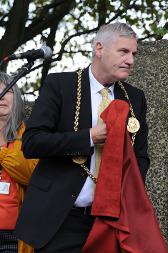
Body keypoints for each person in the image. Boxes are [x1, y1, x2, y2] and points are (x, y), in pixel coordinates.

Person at [14, 23, 150, 253]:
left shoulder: (135, 98)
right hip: (62, 219)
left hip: (111, 222)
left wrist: (125, 195)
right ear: (99, 48)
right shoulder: (60, 85)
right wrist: (88, 137)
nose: (131, 60)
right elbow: (32, 142)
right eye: (123, 52)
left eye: (133, 53)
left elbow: (141, 157)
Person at [0, 72, 37, 253]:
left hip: (13, 234)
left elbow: (33, 176)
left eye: (8, 90)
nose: (1, 95)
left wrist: (2, 146)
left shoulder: (30, 135)